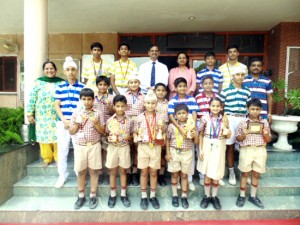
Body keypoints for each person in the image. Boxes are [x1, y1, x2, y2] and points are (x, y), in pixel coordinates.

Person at [69, 88, 106, 210]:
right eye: (84, 99)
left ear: (93, 99)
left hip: (94, 145)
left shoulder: (98, 113)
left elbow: (103, 132)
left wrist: (96, 124)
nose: (86, 102)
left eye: (89, 99)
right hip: (80, 146)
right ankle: (81, 196)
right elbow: (72, 132)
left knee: (94, 171)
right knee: (81, 171)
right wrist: (77, 124)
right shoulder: (76, 113)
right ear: (80, 99)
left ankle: (93, 195)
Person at [54, 56, 85, 188]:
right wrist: (64, 120)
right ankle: (62, 175)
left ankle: (79, 174)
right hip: (62, 123)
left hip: (78, 123)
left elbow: (84, 106)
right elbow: (56, 105)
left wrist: (75, 122)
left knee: (79, 149)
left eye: (73, 69)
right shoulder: (59, 86)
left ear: (77, 71)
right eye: (68, 69)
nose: (71, 72)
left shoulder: (83, 87)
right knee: (62, 149)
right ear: (64, 71)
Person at [27, 61, 64, 167]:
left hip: (57, 115)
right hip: (42, 115)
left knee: (58, 136)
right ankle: (47, 158)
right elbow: (32, 98)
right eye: (47, 69)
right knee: (44, 137)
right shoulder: (38, 82)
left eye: (51, 68)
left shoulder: (61, 82)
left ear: (56, 70)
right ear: (44, 71)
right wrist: (30, 114)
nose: (49, 71)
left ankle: (58, 157)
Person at [235, 98, 272, 209]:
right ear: (248, 109)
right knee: (245, 173)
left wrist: (265, 134)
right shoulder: (243, 123)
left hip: (260, 149)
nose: (254, 111)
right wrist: (244, 134)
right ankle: (241, 195)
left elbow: (269, 139)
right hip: (247, 149)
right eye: (252, 109)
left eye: (257, 109)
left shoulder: (264, 122)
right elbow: (238, 138)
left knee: (256, 173)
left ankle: (253, 195)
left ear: (260, 110)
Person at [133, 89, 166, 210]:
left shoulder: (160, 117)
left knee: (153, 172)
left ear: (156, 104)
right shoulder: (139, 117)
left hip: (156, 147)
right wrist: (136, 137)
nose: (150, 105)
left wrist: (162, 137)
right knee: (144, 172)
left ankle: (152, 195)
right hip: (143, 147)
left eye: (153, 103)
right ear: (144, 104)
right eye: (148, 103)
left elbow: (164, 132)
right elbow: (135, 132)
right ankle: (143, 196)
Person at [219, 66, 251, 186]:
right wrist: (224, 120)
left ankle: (244, 172)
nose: (240, 77)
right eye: (237, 75)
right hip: (230, 118)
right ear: (232, 77)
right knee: (230, 147)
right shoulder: (226, 91)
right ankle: (231, 172)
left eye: (242, 75)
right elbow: (219, 105)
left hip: (243, 119)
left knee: (244, 146)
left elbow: (249, 107)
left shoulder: (247, 91)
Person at [198, 97, 231, 210]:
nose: (215, 108)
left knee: (216, 172)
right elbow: (201, 134)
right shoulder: (205, 118)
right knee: (207, 172)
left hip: (219, 145)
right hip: (207, 144)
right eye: (213, 106)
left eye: (218, 106)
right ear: (209, 106)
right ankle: (207, 196)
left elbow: (228, 135)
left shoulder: (225, 119)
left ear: (221, 107)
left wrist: (228, 133)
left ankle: (214, 196)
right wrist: (201, 149)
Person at [168, 77, 199, 191]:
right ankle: (178, 182)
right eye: (179, 86)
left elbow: (194, 113)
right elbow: (171, 116)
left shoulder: (191, 99)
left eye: (184, 86)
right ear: (175, 88)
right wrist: (180, 128)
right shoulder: (172, 101)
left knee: (189, 156)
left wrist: (192, 126)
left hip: (189, 128)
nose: (182, 88)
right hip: (178, 128)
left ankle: (189, 180)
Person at [166, 103, 199, 209]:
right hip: (174, 151)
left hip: (187, 152)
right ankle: (175, 195)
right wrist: (167, 152)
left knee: (184, 175)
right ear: (175, 115)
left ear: (187, 114)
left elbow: (196, 141)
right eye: (179, 113)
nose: (181, 115)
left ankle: (184, 195)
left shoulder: (192, 126)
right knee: (175, 175)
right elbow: (167, 139)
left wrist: (195, 135)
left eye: (183, 113)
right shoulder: (172, 126)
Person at [106, 95, 134, 208]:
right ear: (114, 107)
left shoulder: (130, 121)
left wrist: (129, 137)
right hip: (113, 148)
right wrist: (108, 138)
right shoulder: (110, 120)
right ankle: (112, 194)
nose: (120, 109)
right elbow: (107, 134)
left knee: (123, 171)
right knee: (112, 172)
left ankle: (123, 194)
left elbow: (133, 136)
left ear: (126, 107)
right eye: (118, 106)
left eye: (123, 106)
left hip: (124, 147)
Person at [195, 75, 223, 186]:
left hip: (216, 124)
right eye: (205, 83)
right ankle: (203, 174)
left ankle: (216, 174)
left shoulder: (217, 96)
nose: (208, 85)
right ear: (201, 85)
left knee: (216, 152)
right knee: (201, 150)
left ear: (213, 84)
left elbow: (220, 109)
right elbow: (195, 112)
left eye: (210, 83)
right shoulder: (198, 97)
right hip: (201, 123)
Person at [93, 76, 114, 184]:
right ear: (97, 85)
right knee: (98, 151)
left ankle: (109, 172)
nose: (102, 87)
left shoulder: (111, 97)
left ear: (108, 86)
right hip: (96, 127)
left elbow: (113, 113)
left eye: (105, 85)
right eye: (100, 84)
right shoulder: (93, 97)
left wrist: (109, 106)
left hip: (108, 127)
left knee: (107, 150)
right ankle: (100, 173)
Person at [124, 74, 145, 186]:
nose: (133, 84)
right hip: (126, 123)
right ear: (128, 84)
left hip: (139, 123)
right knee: (127, 148)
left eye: (135, 82)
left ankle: (135, 173)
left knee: (137, 149)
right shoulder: (124, 95)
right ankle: (127, 172)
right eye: (131, 82)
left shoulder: (144, 96)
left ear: (139, 83)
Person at [244, 58, 273, 123]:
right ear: (250, 67)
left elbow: (270, 97)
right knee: (246, 133)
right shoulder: (244, 80)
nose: (256, 67)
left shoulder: (267, 81)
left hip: (263, 114)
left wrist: (269, 113)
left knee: (263, 133)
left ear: (262, 67)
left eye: (258, 66)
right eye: (253, 65)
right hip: (246, 115)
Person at [154, 83, 169, 186]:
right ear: (155, 91)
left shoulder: (169, 103)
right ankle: (153, 174)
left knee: (163, 153)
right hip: (154, 130)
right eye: (158, 90)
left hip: (166, 129)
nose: (161, 92)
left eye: (163, 90)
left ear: (166, 92)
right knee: (155, 153)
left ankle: (161, 175)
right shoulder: (152, 102)